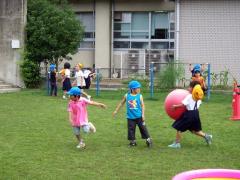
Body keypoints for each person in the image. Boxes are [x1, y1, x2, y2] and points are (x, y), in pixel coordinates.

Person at [168, 81, 212, 149]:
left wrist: (175, 106)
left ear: (193, 88)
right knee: (195, 130)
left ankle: (177, 144)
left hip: (189, 114)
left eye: (189, 87)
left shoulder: (189, 96)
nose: (188, 88)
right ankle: (207, 136)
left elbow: (183, 105)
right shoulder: (198, 97)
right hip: (196, 113)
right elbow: (199, 104)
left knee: (179, 128)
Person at [113, 80, 152, 148]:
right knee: (131, 129)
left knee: (143, 128)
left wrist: (143, 114)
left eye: (139, 88)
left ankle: (148, 140)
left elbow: (143, 105)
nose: (139, 89)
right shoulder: (127, 96)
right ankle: (132, 142)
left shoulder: (140, 96)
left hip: (139, 116)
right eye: (137, 88)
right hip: (130, 117)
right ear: (132, 89)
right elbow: (121, 103)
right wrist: (116, 110)